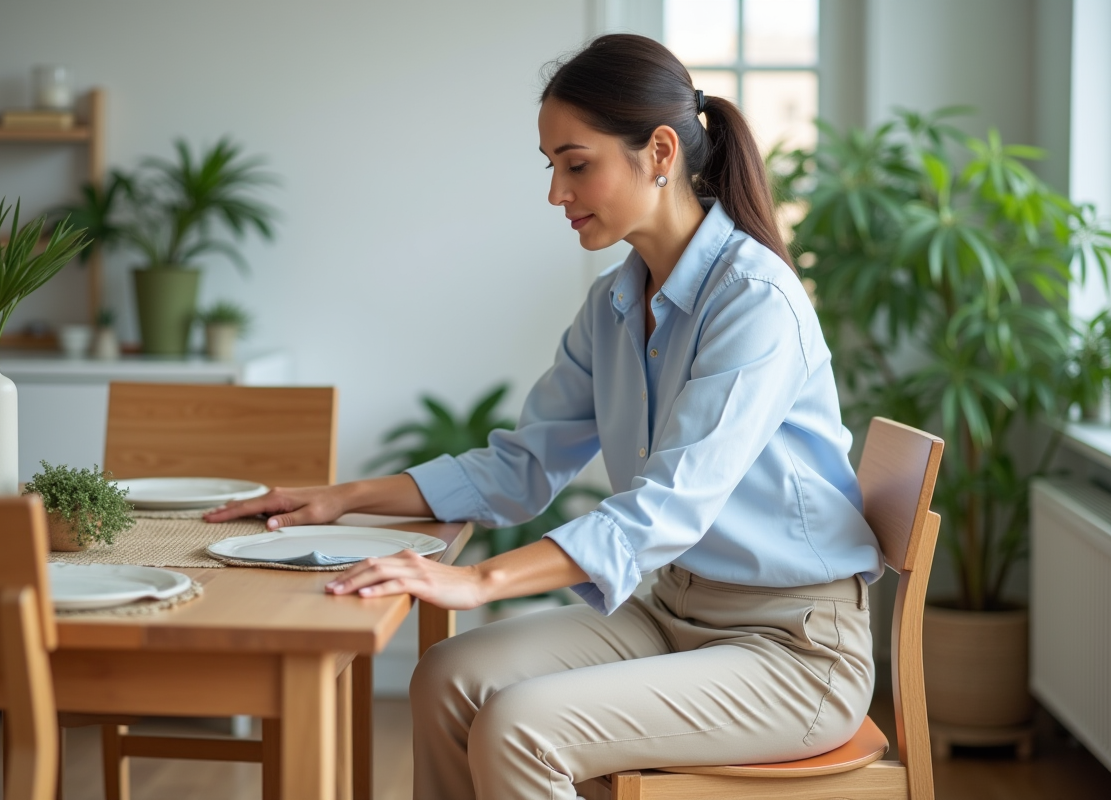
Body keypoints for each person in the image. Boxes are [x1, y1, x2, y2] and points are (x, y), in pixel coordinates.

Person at [207, 33, 883, 800]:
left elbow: (668, 506)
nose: (556, 194)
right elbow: (521, 468)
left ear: (659, 152)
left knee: (518, 726)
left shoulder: (755, 305)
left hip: (793, 652)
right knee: (446, 678)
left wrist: (477, 580)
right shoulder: (615, 305)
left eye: (576, 163)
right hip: (672, 613)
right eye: (552, 167)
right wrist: (340, 498)